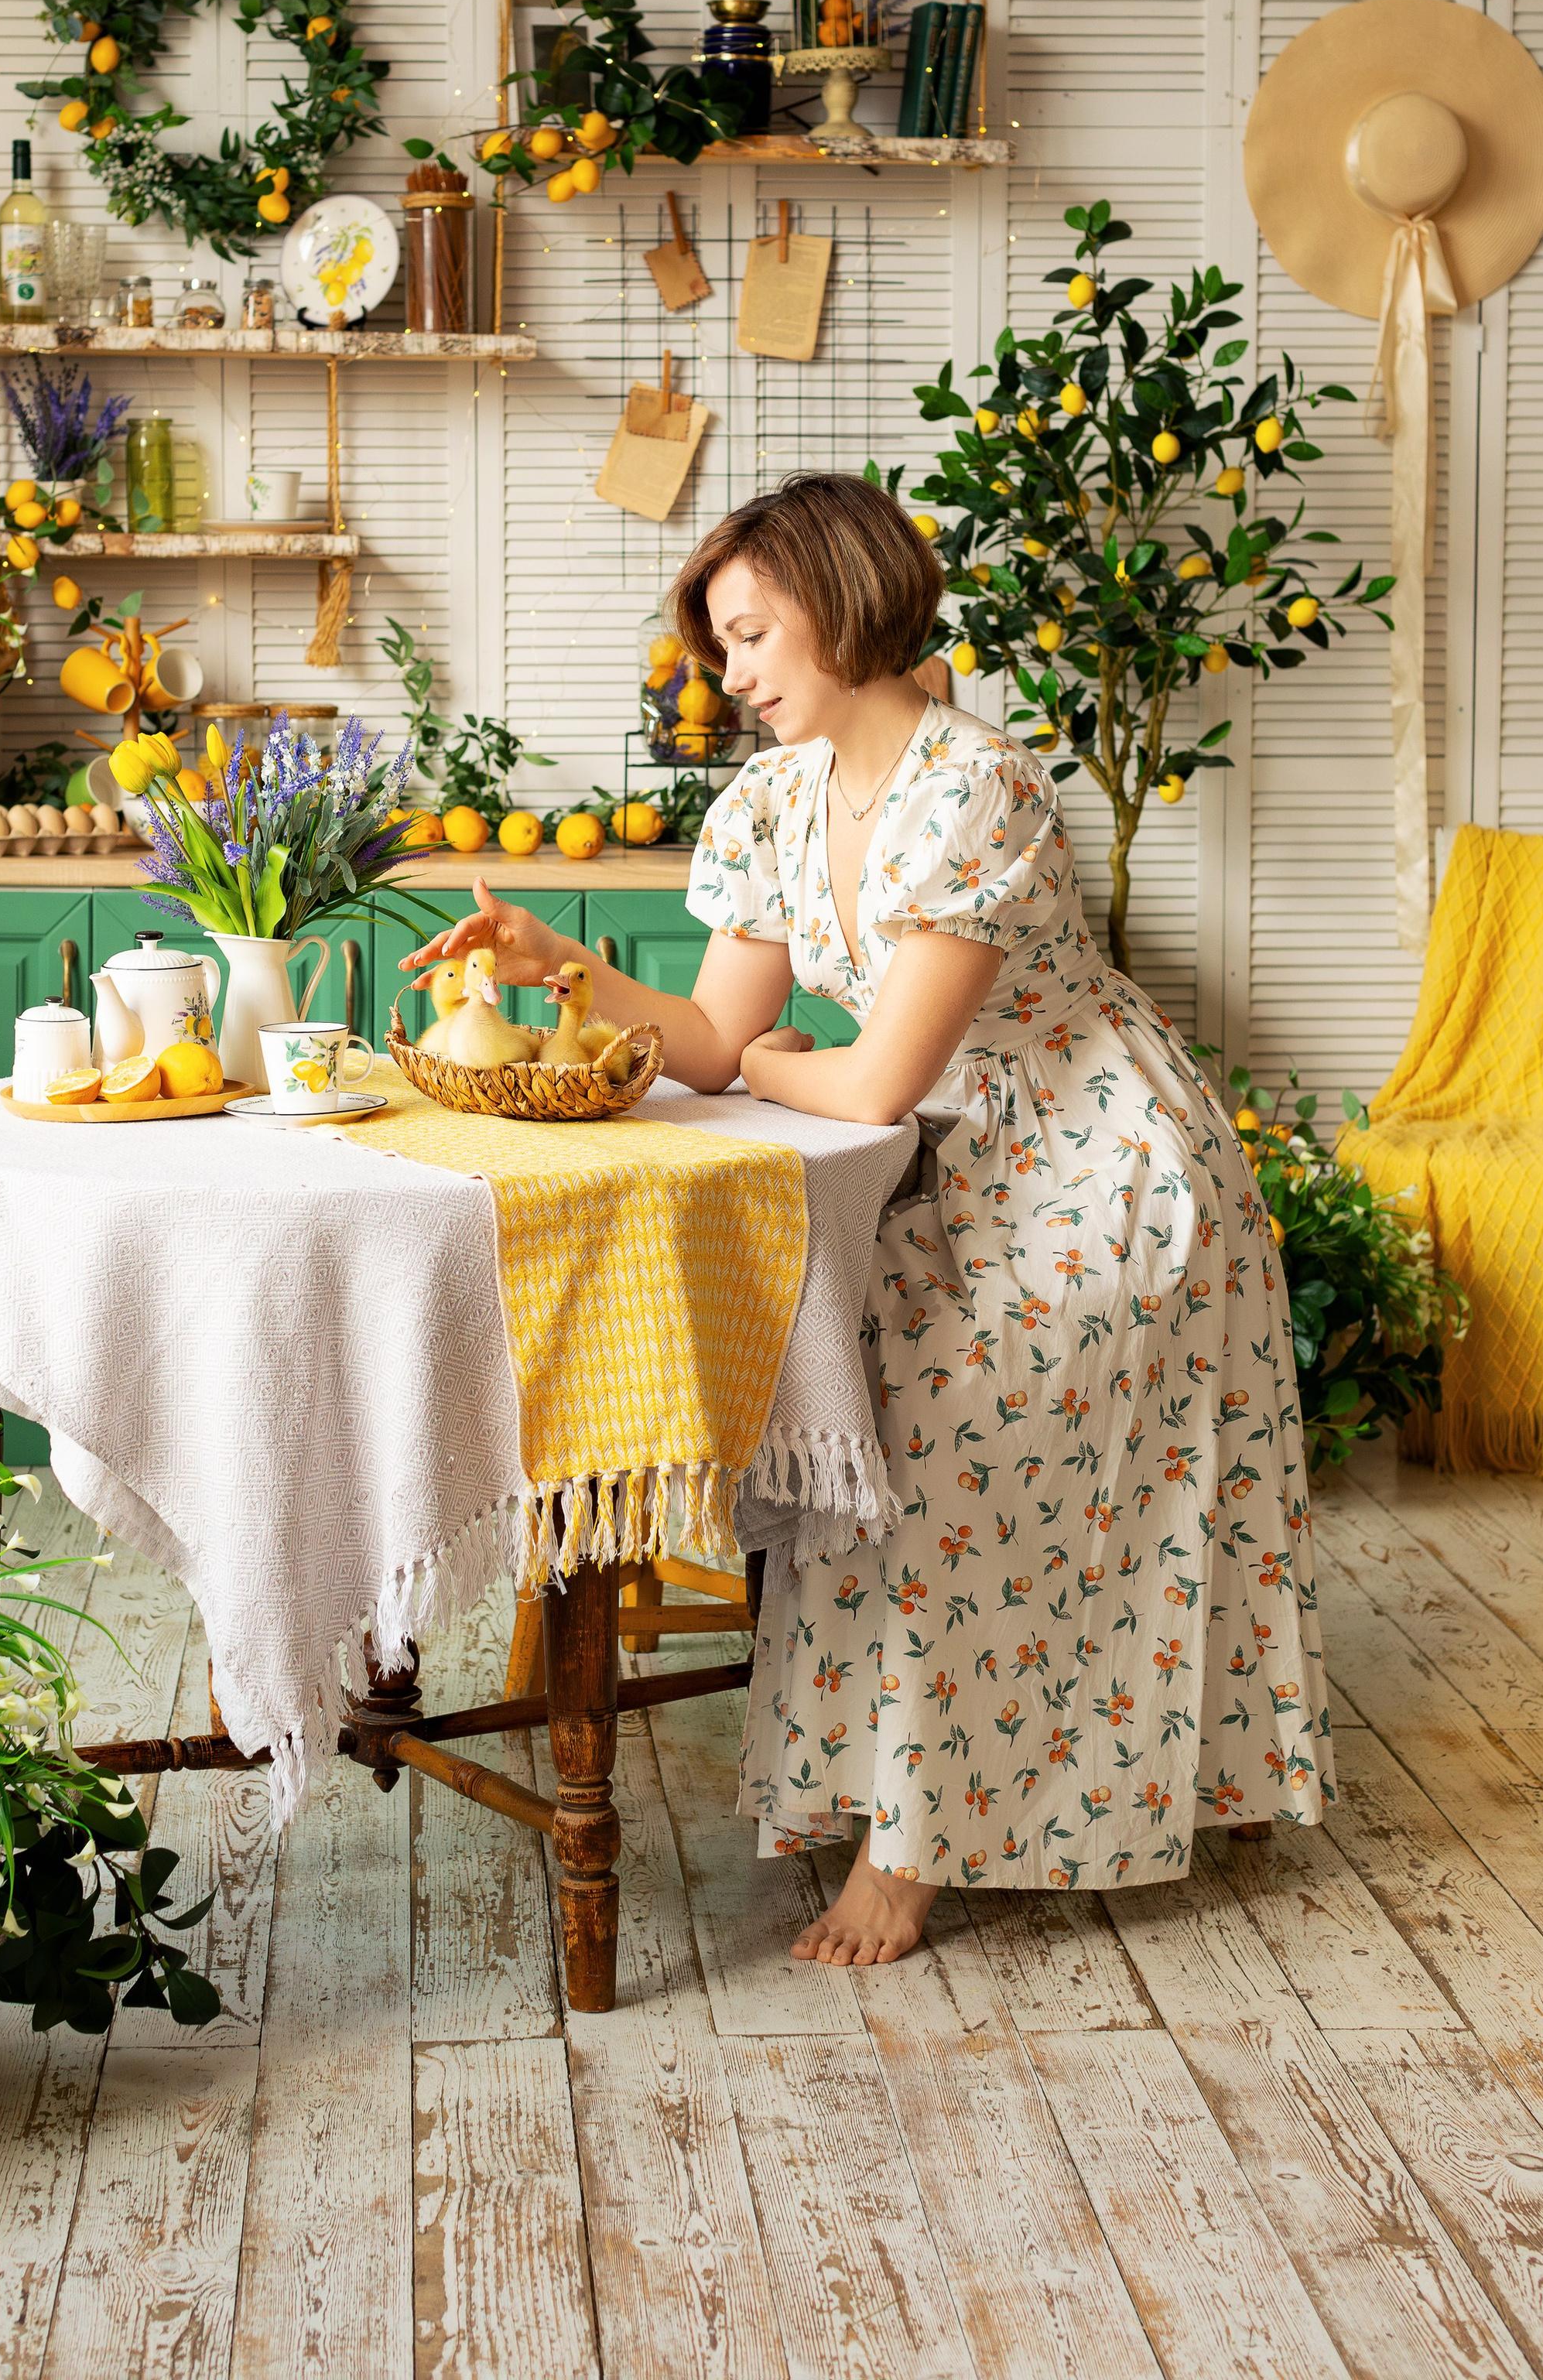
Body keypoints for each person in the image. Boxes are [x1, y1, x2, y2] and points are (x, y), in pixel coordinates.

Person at [403, 470, 1329, 1967]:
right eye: (723, 648)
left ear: (839, 608)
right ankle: (925, 1789)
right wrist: (549, 957)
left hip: (1093, 1163)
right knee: (869, 1431)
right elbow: (712, 1040)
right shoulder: (774, 799)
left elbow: (881, 1072)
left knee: (943, 1429)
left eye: (753, 637)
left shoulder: (981, 786)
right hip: (935, 1163)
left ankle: (916, 1846)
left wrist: (783, 1063)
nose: (732, 680)